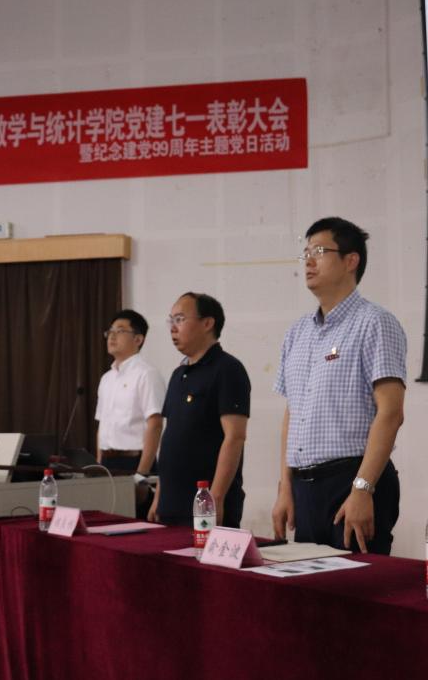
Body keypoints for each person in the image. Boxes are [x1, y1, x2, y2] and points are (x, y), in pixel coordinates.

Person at [271, 217, 407, 555]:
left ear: (351, 260)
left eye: (319, 251)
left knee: (356, 585)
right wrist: (285, 487)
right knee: (309, 585)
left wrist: (362, 488)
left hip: (352, 480)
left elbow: (391, 413)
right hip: (304, 487)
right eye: (305, 253)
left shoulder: (375, 322)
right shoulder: (297, 333)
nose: (309, 261)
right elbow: (292, 414)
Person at [146, 292, 250, 527]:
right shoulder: (178, 374)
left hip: (205, 504)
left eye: (180, 319)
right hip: (171, 503)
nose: (173, 328)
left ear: (207, 323)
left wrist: (216, 497)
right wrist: (159, 496)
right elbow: (170, 437)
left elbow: (235, 437)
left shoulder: (228, 369)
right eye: (171, 320)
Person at [95, 309, 165, 515]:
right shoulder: (106, 378)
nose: (112, 336)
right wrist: (99, 464)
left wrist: (141, 475)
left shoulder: (147, 374)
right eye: (110, 331)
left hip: (135, 462)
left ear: (138, 339)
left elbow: (155, 424)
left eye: (120, 331)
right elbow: (102, 426)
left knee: (137, 524)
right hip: (108, 464)